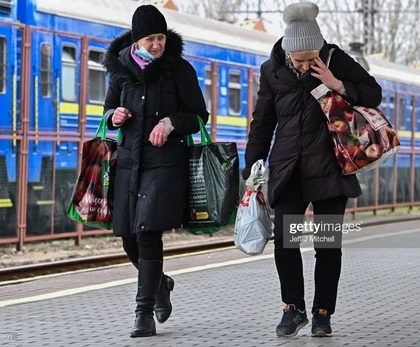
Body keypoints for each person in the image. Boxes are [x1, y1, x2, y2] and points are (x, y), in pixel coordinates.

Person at [242, 1, 382, 338]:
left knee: (327, 245)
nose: (305, 67)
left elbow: (373, 94)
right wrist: (252, 167)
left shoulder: (336, 61)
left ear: (320, 50)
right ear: (288, 52)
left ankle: (322, 314)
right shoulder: (272, 70)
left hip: (331, 169)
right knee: (285, 243)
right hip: (288, 168)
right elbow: (262, 122)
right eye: (299, 60)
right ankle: (293, 309)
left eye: (311, 60)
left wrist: (338, 84)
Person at [102, 5, 208, 338]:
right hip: (129, 162)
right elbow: (106, 112)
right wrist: (114, 117)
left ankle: (143, 313)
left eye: (161, 38)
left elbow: (199, 117)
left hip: (165, 164)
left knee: (148, 233)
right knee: (128, 238)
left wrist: (171, 122)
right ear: (137, 40)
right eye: (150, 39)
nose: (157, 45)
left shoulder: (180, 70)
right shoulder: (120, 71)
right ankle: (161, 284)